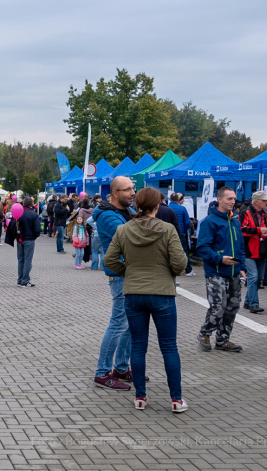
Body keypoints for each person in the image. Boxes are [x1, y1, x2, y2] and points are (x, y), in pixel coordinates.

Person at [104, 187, 188, 412]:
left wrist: (127, 271)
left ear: (137, 204)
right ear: (157, 206)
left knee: (138, 346)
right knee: (169, 347)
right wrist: (168, 272)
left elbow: (109, 260)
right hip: (162, 292)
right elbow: (180, 263)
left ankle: (140, 397)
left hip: (133, 293)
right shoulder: (167, 229)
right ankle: (176, 400)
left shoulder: (123, 229)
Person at [93, 176, 136, 390]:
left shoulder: (125, 212)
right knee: (118, 324)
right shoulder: (109, 216)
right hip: (120, 274)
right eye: (127, 189)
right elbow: (132, 237)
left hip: (130, 273)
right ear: (115, 193)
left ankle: (120, 368)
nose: (132, 192)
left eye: (133, 188)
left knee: (128, 325)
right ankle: (102, 373)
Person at [195, 186, 247, 352]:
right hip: (216, 272)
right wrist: (219, 259)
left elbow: (240, 248)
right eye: (229, 199)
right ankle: (205, 333)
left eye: (234, 199)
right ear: (219, 199)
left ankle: (222, 340)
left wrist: (242, 268)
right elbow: (202, 247)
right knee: (218, 307)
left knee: (232, 307)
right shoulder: (210, 221)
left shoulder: (235, 221)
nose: (233, 202)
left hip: (234, 272)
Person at [240, 191, 267, 314]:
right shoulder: (245, 212)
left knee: (258, 278)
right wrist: (259, 230)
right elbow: (242, 229)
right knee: (253, 276)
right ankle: (253, 304)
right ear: (256, 201)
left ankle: (247, 301)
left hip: (262, 250)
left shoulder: (266, 214)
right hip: (249, 250)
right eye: (265, 200)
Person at [168, 193, 194, 276]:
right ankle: (188, 270)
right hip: (181, 233)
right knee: (184, 251)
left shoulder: (167, 208)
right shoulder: (182, 208)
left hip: (169, 234)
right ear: (178, 199)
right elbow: (187, 222)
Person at [17, 197, 40, 287]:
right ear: (31, 204)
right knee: (28, 260)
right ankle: (25, 280)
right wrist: (35, 236)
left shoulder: (19, 213)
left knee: (20, 260)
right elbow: (37, 229)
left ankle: (20, 279)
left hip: (19, 239)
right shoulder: (34, 215)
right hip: (29, 239)